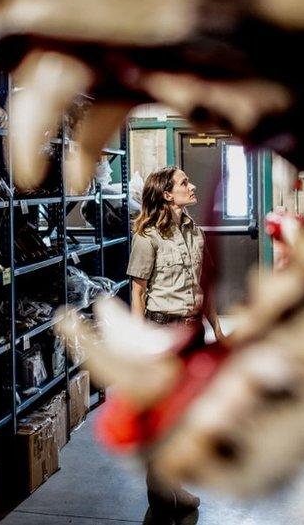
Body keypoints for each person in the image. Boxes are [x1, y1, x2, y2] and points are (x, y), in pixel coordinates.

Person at [126, 166, 224, 516]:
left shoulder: (195, 232)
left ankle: (170, 484)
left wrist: (217, 328)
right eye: (184, 183)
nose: (192, 185)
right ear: (167, 194)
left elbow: (204, 286)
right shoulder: (147, 237)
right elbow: (137, 293)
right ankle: (163, 489)